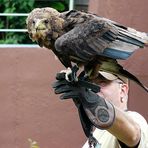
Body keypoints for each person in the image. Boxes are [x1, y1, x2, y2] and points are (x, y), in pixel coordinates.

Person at [52, 71, 148, 148]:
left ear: (123, 90)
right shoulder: (98, 132)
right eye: (89, 84)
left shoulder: (134, 118)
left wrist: (96, 103)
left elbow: (133, 135)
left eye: (102, 82)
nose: (92, 89)